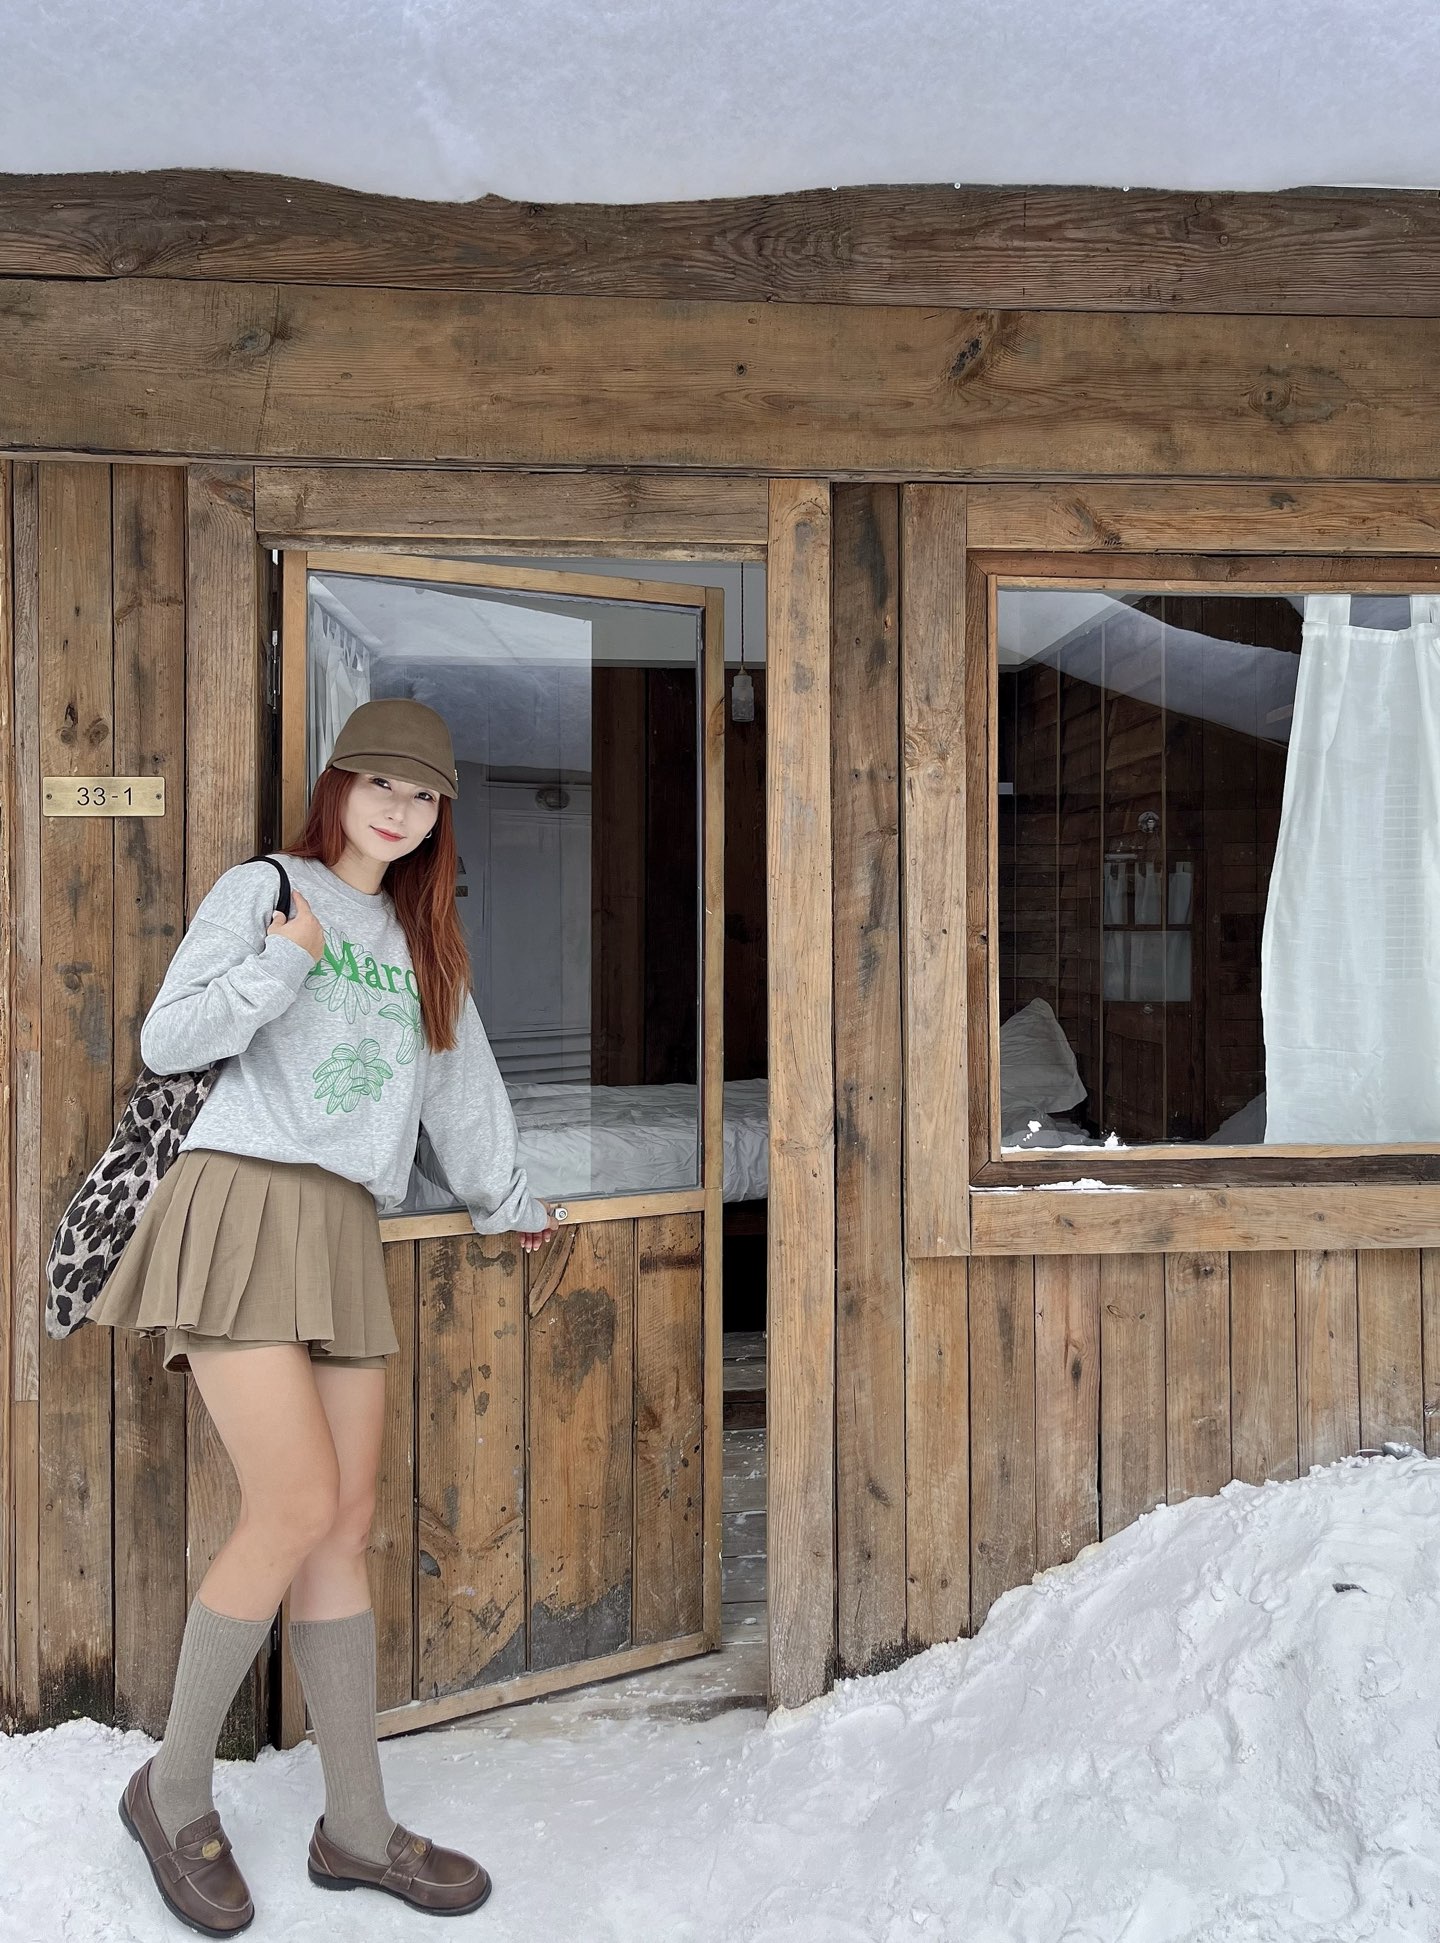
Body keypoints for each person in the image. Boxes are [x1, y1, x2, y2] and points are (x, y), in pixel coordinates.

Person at [89, 697, 558, 1934]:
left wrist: (506, 1196)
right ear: (339, 785)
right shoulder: (269, 889)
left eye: (424, 794)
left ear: (440, 815)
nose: (400, 809)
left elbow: (462, 1086)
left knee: (343, 1522)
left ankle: (355, 1824)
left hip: (345, 1225)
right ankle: (169, 1791)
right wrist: (284, 960)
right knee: (292, 1503)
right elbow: (168, 1035)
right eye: (380, 783)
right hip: (241, 1206)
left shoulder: (423, 940)